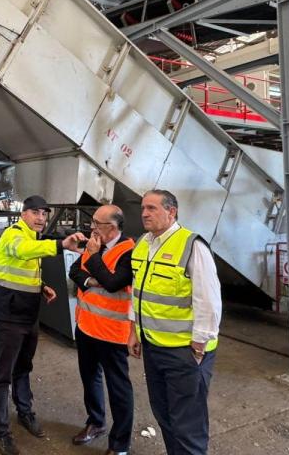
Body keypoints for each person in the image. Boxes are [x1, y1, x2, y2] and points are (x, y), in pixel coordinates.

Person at [128, 190, 222, 455]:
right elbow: (137, 291)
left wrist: (199, 345)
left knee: (187, 423)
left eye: (152, 208)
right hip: (153, 346)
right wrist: (134, 330)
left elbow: (208, 299)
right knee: (164, 414)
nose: (145, 213)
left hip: (184, 352)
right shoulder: (143, 243)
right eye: (143, 208)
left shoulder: (192, 245)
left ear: (172, 211)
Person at [0, 195, 85, 455]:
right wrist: (61, 245)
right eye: (36, 213)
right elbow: (22, 251)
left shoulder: (33, 237)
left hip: (28, 314)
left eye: (44, 213)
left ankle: (24, 412)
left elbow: (19, 268)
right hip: (7, 315)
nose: (41, 218)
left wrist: (41, 286)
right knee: (2, 375)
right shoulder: (13, 234)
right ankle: (2, 432)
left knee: (24, 367)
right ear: (24, 214)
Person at [68, 204, 136, 455]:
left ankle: (119, 445)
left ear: (113, 227)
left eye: (97, 223)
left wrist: (95, 259)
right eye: (93, 222)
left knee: (119, 388)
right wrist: (92, 280)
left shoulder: (130, 251)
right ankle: (96, 422)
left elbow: (114, 283)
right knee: (90, 378)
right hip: (86, 327)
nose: (92, 227)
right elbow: (74, 270)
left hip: (112, 333)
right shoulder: (94, 244)